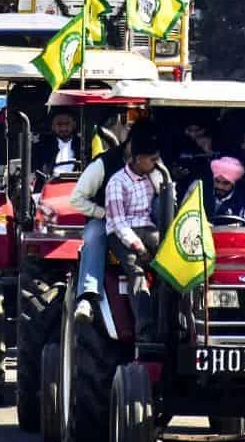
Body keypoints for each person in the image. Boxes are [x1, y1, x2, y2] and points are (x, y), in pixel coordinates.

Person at [70, 117, 153, 324]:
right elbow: (77, 199)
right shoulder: (103, 163)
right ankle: (88, 297)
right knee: (95, 236)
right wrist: (104, 214)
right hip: (105, 219)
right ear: (131, 144)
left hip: (140, 221)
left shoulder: (155, 166)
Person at [104, 129, 164, 342]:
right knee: (136, 272)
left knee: (169, 267)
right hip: (123, 234)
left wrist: (159, 175)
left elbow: (165, 198)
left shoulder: (153, 177)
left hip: (149, 229)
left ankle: (174, 324)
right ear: (138, 159)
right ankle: (145, 331)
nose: (157, 163)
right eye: (153, 160)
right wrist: (139, 248)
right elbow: (119, 223)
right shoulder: (117, 182)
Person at [32, 109, 81, 177]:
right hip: (50, 183)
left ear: (74, 124)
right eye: (59, 124)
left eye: (67, 124)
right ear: (52, 126)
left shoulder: (82, 145)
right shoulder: (42, 147)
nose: (63, 128)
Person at [210, 156, 245, 224]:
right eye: (217, 181)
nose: (220, 186)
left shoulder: (243, 200)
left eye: (226, 183)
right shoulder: (202, 192)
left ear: (233, 184)